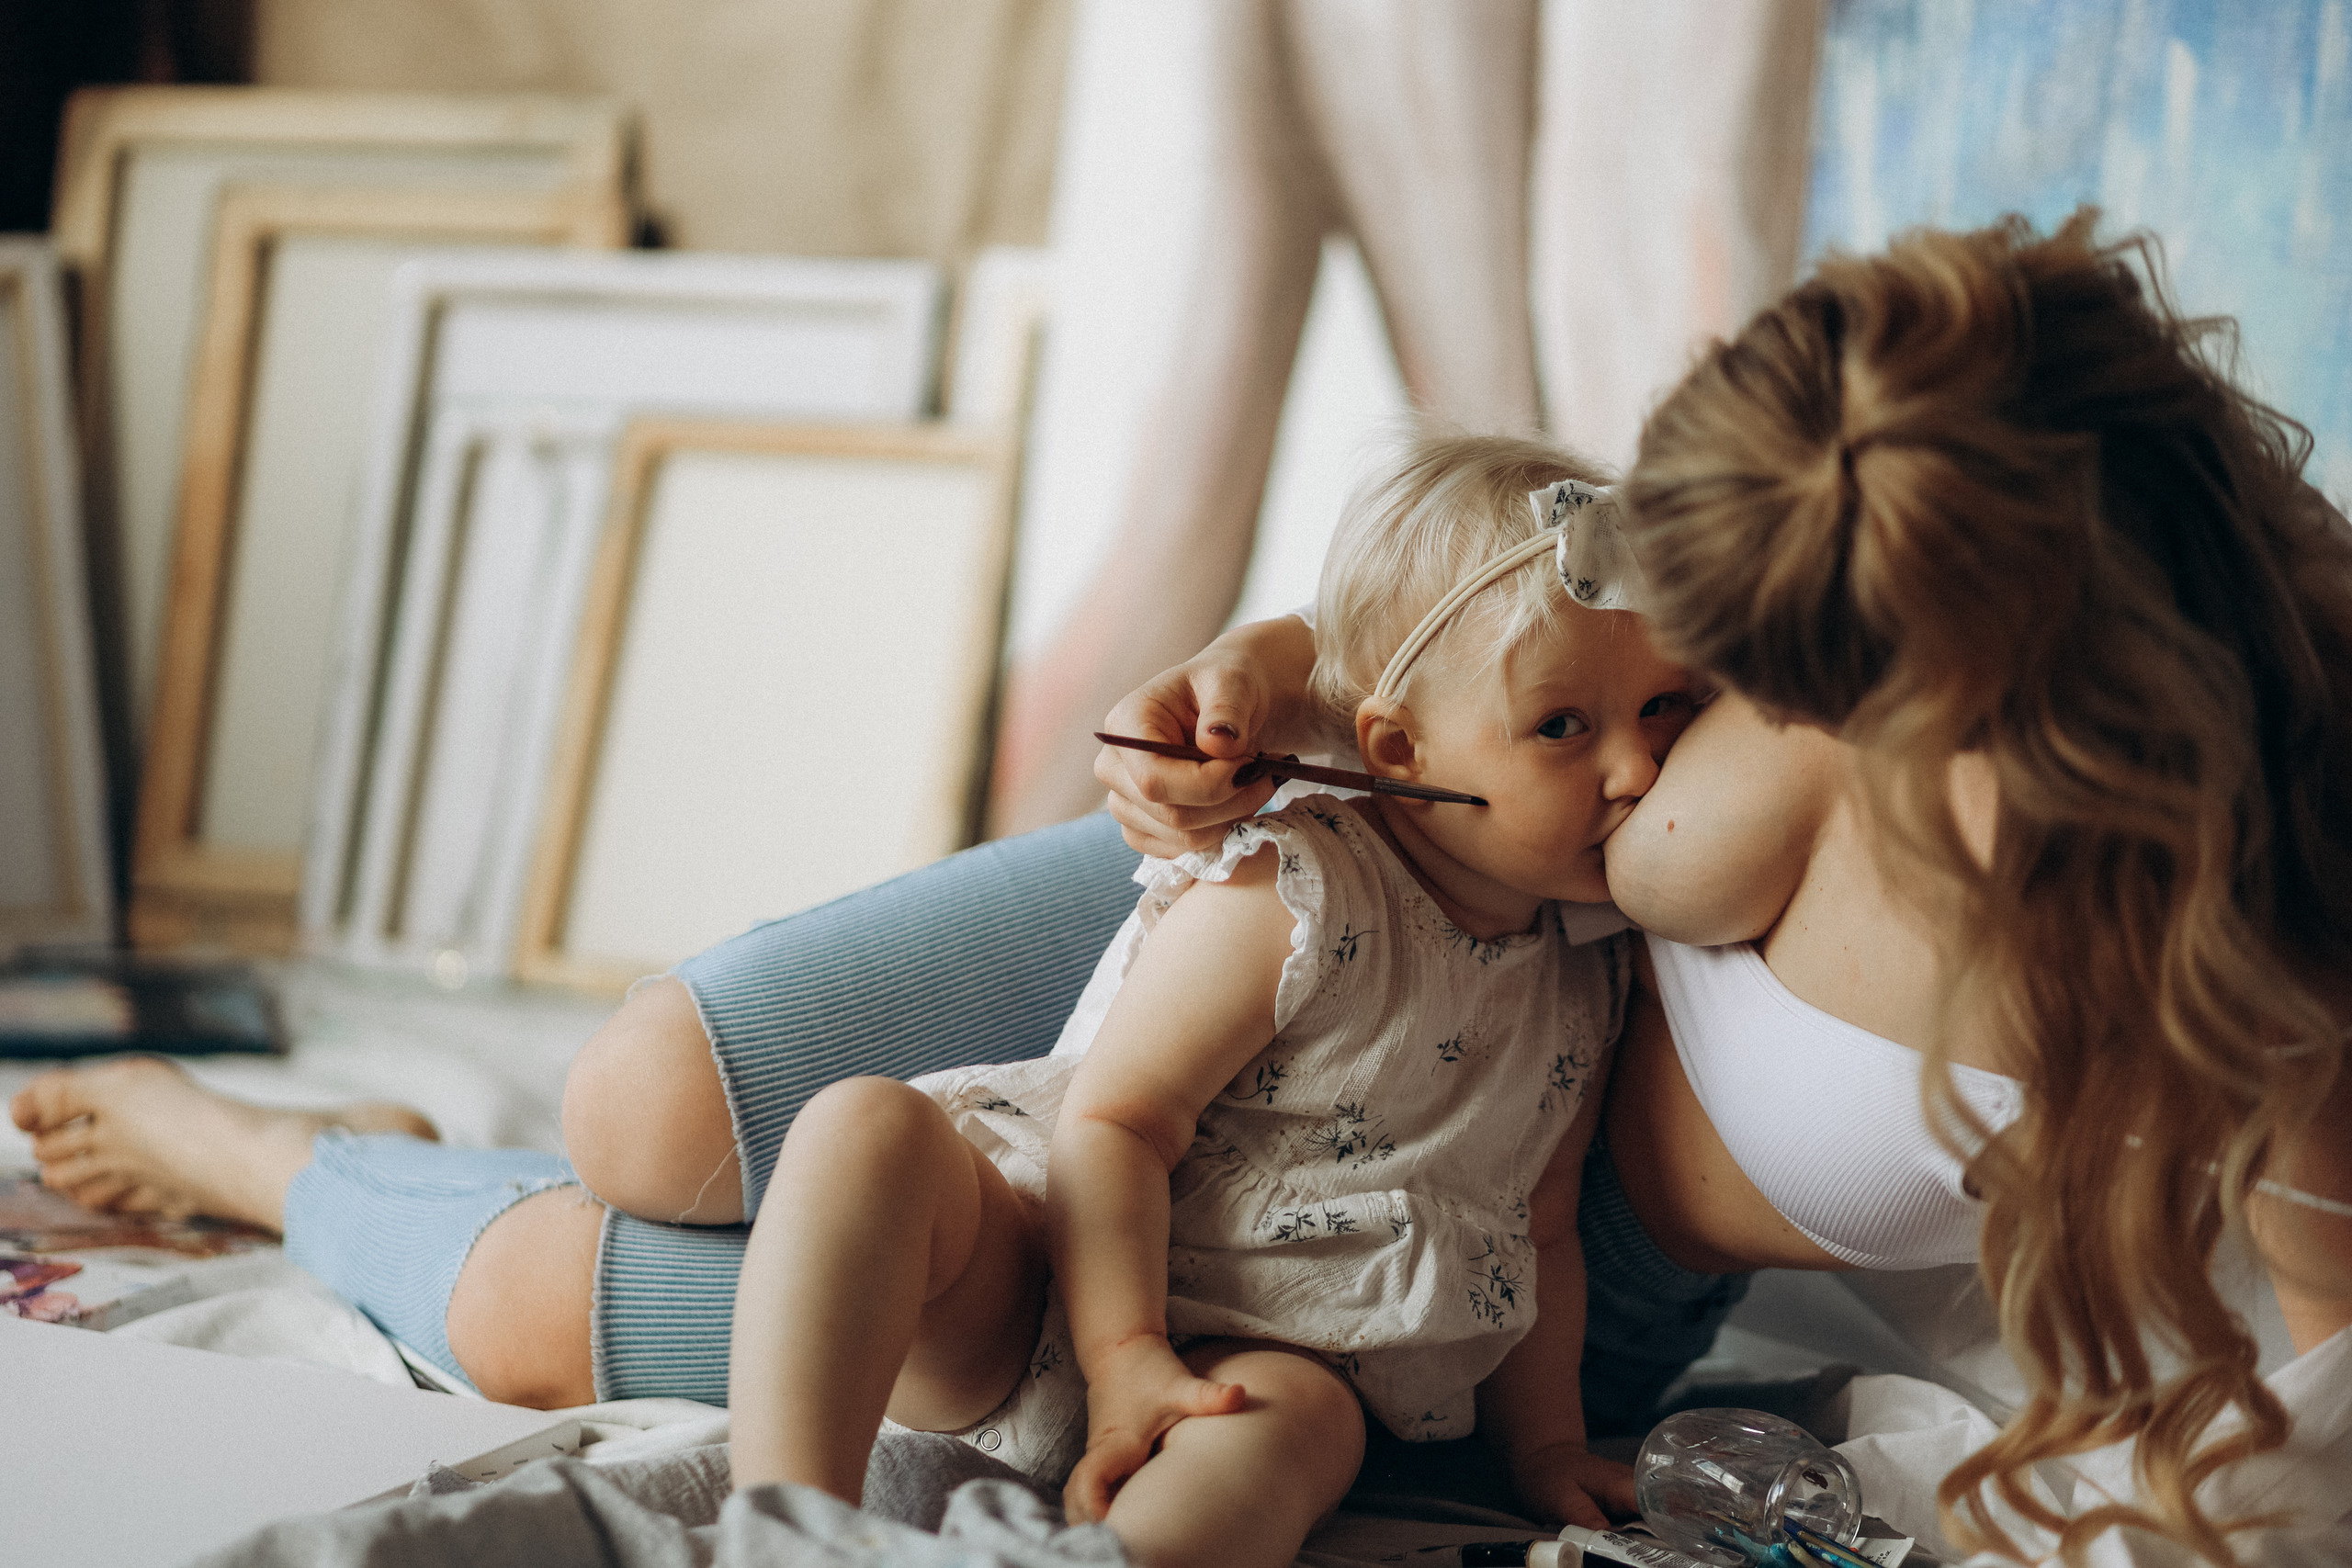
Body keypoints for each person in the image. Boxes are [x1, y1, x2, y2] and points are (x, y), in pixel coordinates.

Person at [14, 213, 2347, 1562]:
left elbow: (2309, 1413)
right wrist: (1288, 666)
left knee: (563, 1307)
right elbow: (1525, 617)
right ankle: (437, 1157)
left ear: (1991, 675)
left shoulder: (2271, 942)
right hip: (1331, 892)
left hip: (1481, 1207)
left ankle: (276, 1159)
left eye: (1786, 671)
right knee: (647, 1103)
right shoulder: (1835, 534)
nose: (1716, 707)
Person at [724, 434, 1702, 1566]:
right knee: (864, 1126)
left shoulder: (1583, 970)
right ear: (1395, 747)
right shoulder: (1298, 887)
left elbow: (1537, 1226)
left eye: (1667, 706)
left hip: (1267, 1364)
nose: (1637, 772)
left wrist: (1544, 1451)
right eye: (1563, 727)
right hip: (1044, 1288)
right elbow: (1117, 1121)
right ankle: (785, 1527)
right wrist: (1124, 1352)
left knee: (1297, 1434)